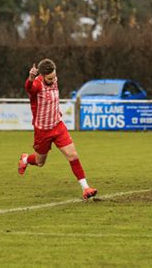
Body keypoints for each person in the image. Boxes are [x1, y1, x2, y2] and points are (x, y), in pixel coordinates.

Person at [18, 58, 97, 200]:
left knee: (73, 155)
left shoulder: (54, 80)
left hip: (58, 126)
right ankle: (25, 159)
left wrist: (52, 78)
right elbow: (29, 88)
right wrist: (30, 78)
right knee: (40, 162)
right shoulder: (37, 85)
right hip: (42, 130)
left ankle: (86, 188)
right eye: (50, 78)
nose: (53, 79)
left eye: (55, 76)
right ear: (41, 76)